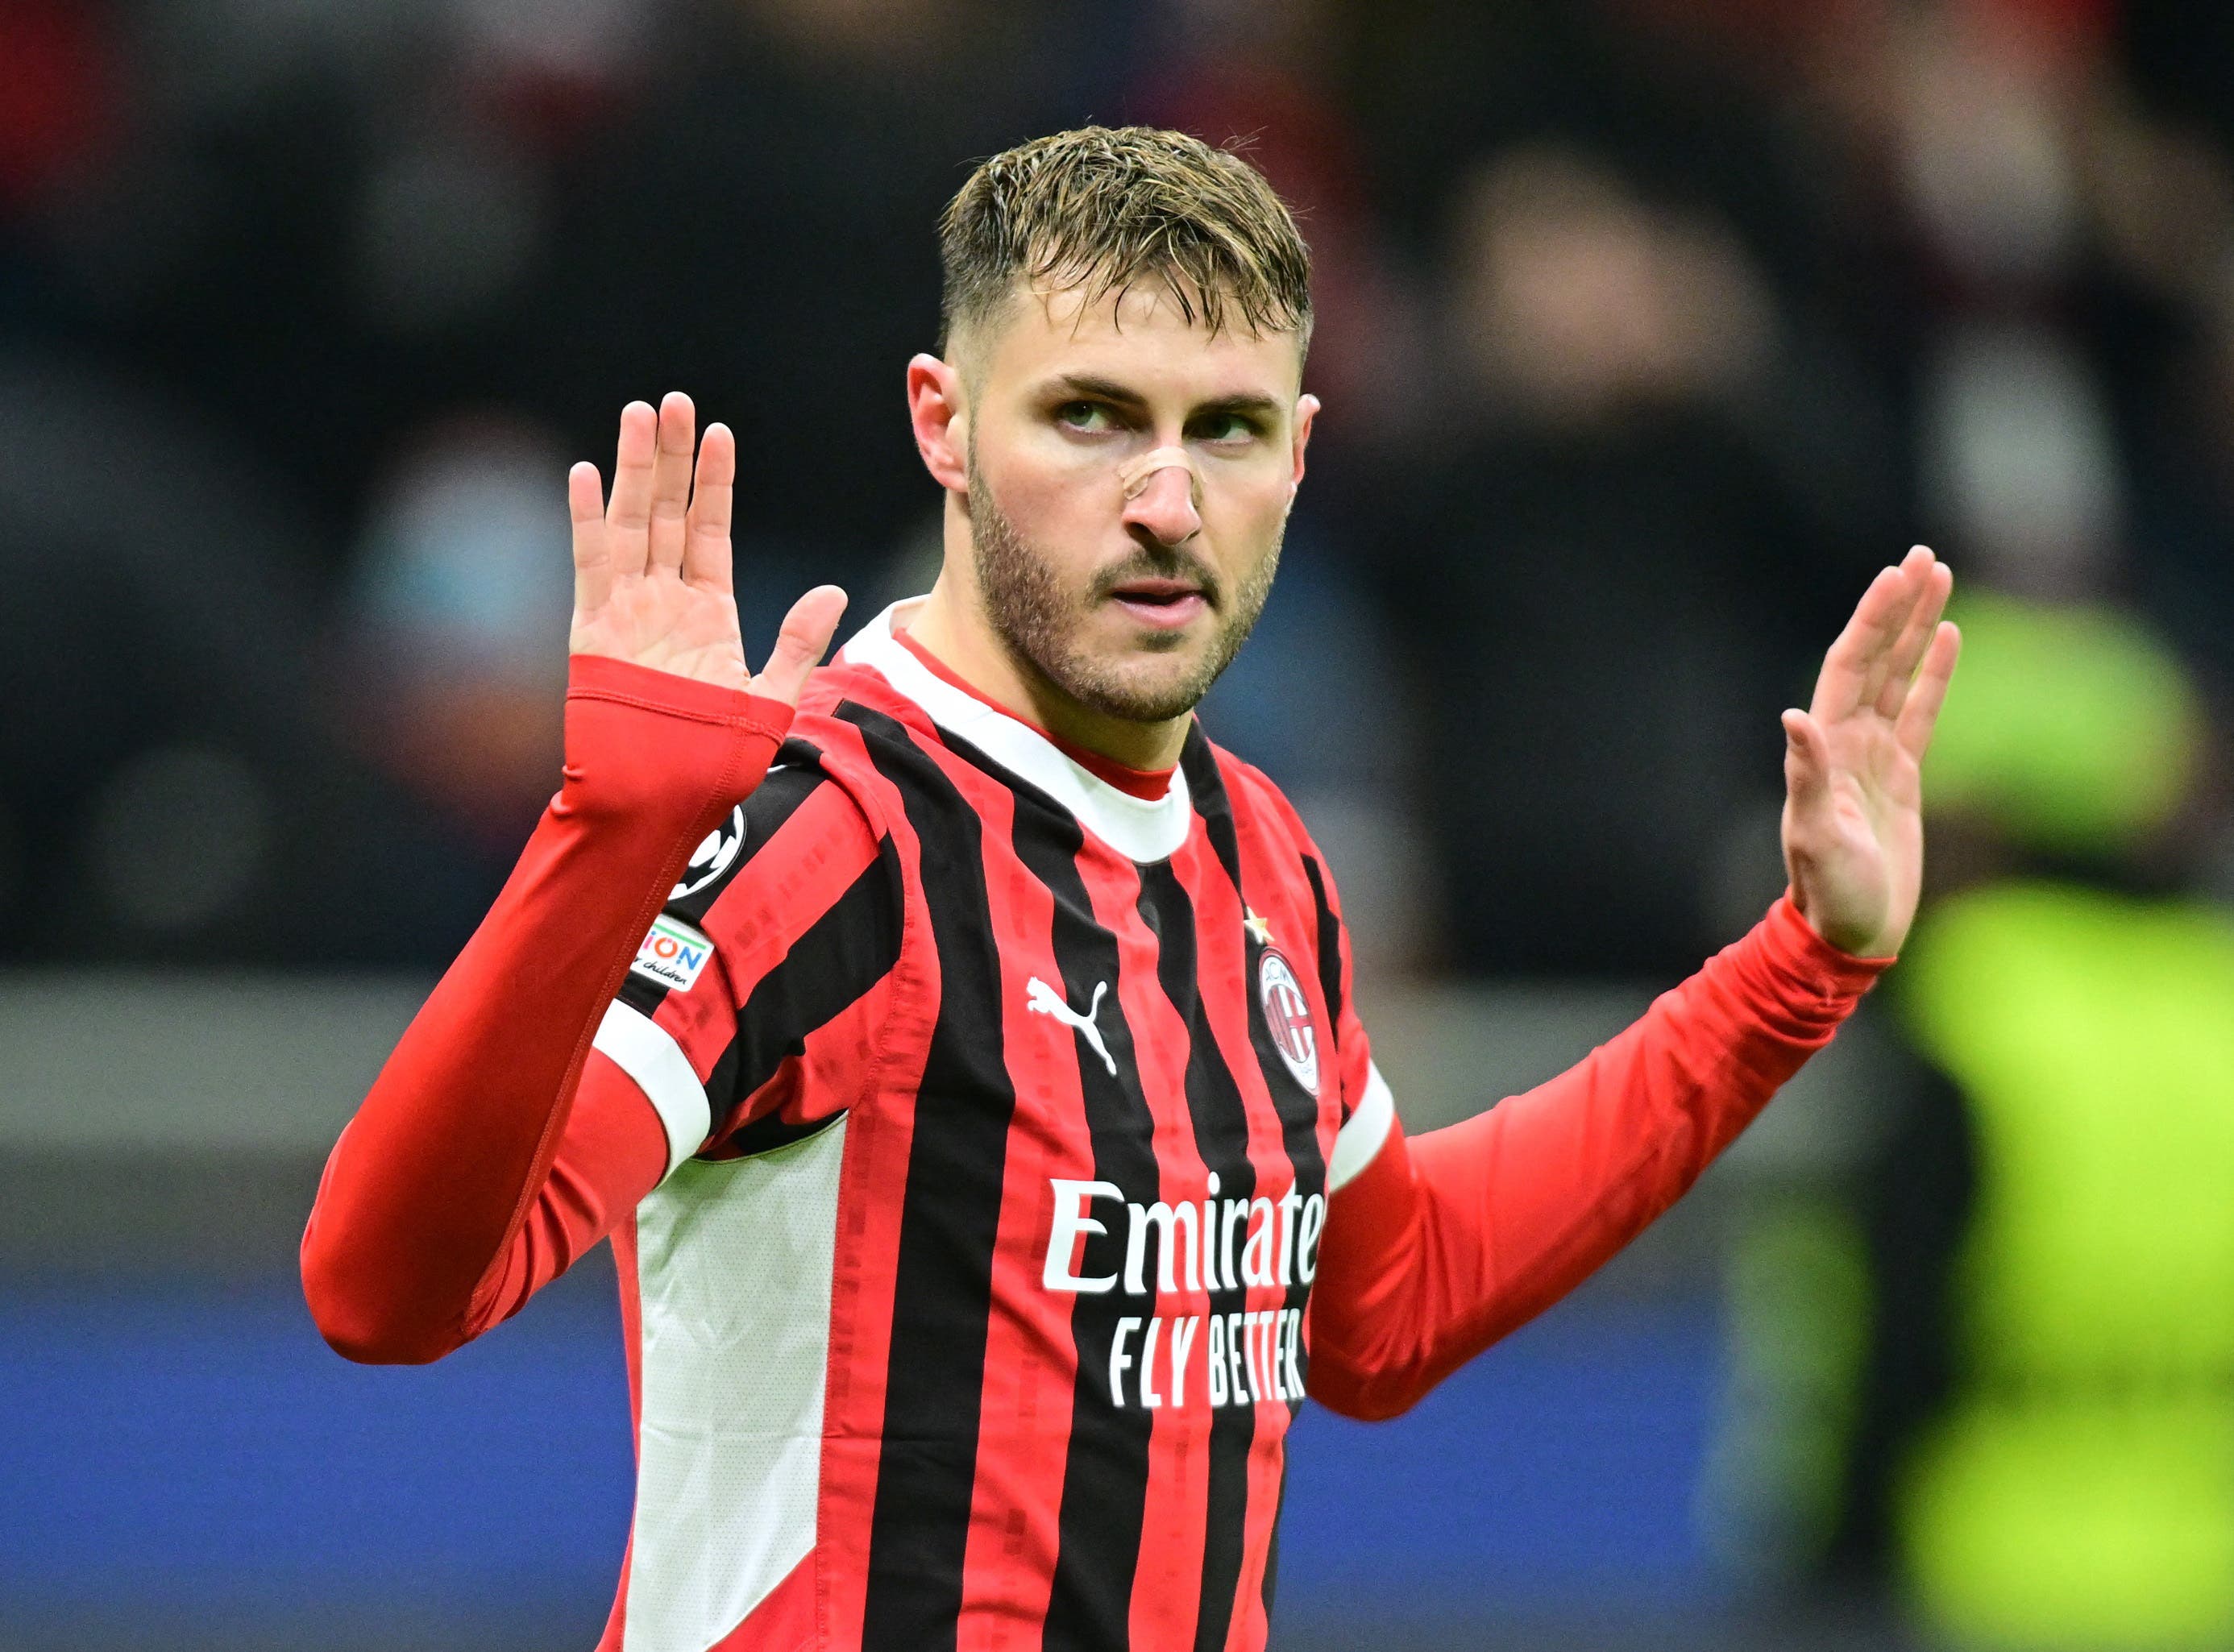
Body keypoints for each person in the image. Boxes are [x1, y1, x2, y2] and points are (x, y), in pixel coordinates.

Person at [298, 127, 1961, 1652]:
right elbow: (387, 1292)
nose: (1166, 503)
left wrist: (1801, 961)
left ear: (1301, 454)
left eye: (1225, 429)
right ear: (943, 421)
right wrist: (609, 837)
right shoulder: (828, 833)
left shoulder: (1259, 855)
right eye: (1089, 415)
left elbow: (1383, 1305)